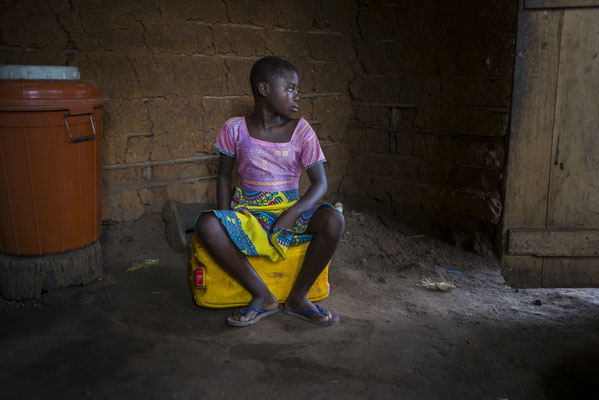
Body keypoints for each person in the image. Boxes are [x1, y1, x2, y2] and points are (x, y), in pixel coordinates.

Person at [195, 56, 344, 327]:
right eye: (290, 88)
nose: (296, 96)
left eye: (297, 90)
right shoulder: (234, 128)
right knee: (207, 223)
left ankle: (298, 298)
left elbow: (320, 184)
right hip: (249, 215)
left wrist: (292, 213)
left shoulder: (302, 131)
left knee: (334, 219)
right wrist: (228, 220)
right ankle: (263, 296)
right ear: (264, 89)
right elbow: (224, 176)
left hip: (291, 212)